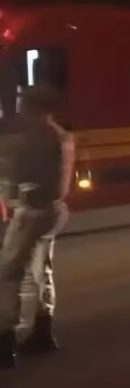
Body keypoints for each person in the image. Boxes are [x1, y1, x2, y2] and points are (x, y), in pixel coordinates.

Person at [0, 86, 74, 369]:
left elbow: (17, 172)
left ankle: (5, 342)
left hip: (31, 210)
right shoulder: (60, 134)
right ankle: (43, 330)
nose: (20, 109)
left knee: (9, 273)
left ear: (34, 107)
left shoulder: (37, 135)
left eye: (24, 103)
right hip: (53, 210)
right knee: (42, 270)